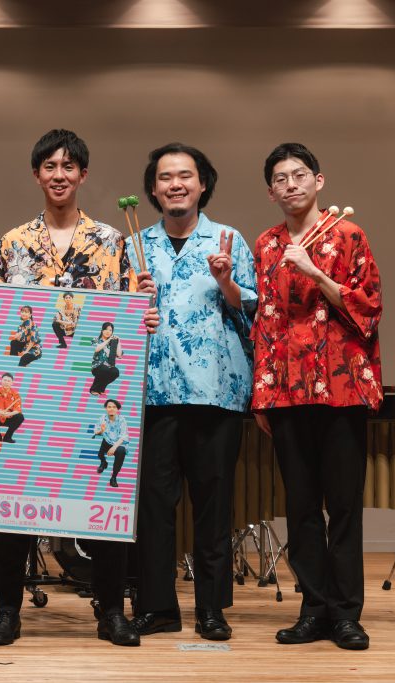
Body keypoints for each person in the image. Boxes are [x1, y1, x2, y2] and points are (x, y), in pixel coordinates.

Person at [0, 128, 158, 648]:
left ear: (83, 174)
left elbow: (128, 320)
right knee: (14, 499)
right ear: (36, 174)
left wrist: (144, 318)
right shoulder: (13, 242)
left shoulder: (111, 241)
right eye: (49, 166)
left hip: (90, 393)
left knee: (102, 500)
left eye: (68, 166)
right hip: (32, 390)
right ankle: (7, 612)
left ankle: (111, 612)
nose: (59, 175)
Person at [251, 143, 382, 651]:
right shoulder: (266, 243)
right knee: (301, 507)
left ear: (318, 180)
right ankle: (313, 609)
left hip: (342, 389)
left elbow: (369, 308)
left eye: (299, 175)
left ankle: (346, 615)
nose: (291, 185)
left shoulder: (348, 234)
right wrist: (261, 395)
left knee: (344, 507)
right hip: (286, 392)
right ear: (270, 192)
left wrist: (316, 274)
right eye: (280, 179)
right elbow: (265, 322)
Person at [128, 143, 257, 643]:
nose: (175, 184)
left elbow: (253, 311)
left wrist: (225, 281)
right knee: (153, 508)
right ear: (153, 188)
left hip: (214, 394)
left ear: (203, 184)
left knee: (213, 506)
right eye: (165, 177)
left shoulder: (228, 240)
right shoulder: (134, 245)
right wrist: (132, 303)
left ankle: (211, 608)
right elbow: (113, 321)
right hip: (152, 394)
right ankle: (157, 607)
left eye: (185, 175)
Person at [94, 399, 129, 488]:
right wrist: (101, 430)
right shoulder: (102, 418)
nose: (111, 409)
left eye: (114, 407)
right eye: (109, 407)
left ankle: (113, 477)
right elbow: (96, 431)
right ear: (106, 408)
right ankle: (104, 462)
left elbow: (123, 437)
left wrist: (114, 448)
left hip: (118, 444)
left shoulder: (122, 420)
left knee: (121, 452)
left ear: (117, 409)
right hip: (107, 441)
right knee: (100, 454)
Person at [0, 372, 25, 442]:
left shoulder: (16, 394)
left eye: (8, 381)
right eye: (5, 380)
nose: (6, 382)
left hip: (9, 418)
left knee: (20, 417)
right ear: (1, 381)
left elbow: (18, 409)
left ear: (12, 383)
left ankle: (7, 437)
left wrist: (9, 414)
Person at [89, 322, 123, 395]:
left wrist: (118, 341)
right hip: (97, 367)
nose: (108, 332)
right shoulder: (96, 340)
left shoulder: (112, 343)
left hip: (108, 366)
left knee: (115, 371)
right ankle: (93, 389)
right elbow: (96, 349)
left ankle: (101, 389)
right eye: (106, 329)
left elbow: (119, 355)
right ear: (102, 330)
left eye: (110, 330)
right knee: (104, 369)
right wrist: (108, 340)